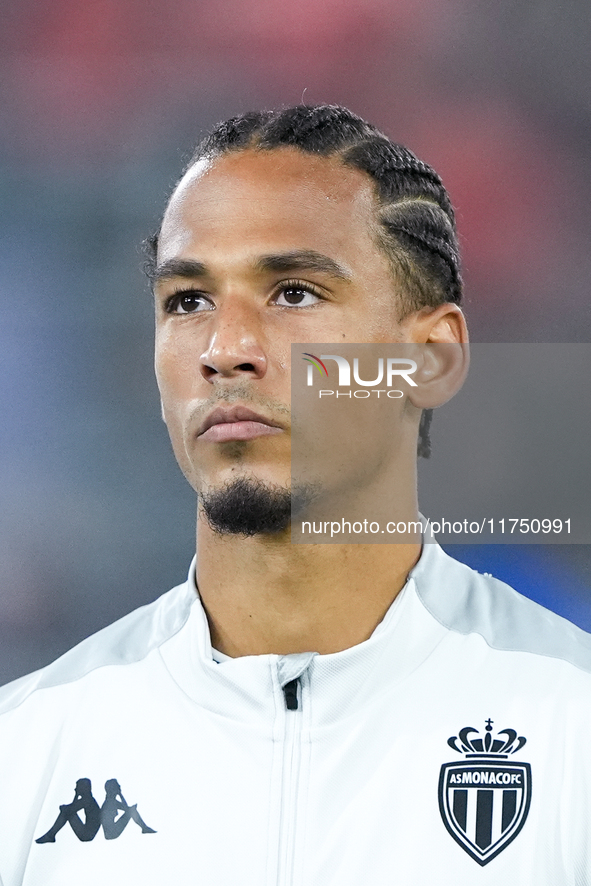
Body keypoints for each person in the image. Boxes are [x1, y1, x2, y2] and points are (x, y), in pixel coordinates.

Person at [0, 104, 590, 884]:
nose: (225, 350)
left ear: (431, 358)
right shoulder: (28, 749)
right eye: (188, 301)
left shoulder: (569, 725)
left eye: (294, 293)